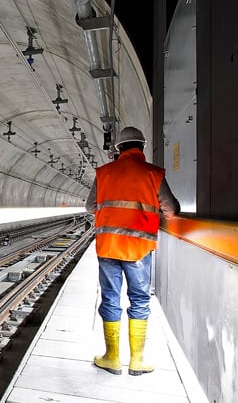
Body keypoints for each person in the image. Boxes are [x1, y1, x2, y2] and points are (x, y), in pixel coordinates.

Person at [84, 126, 180, 376]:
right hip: (138, 248)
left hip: (108, 247)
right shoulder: (153, 174)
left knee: (110, 297)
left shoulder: (104, 173)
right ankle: (137, 360)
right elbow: (171, 209)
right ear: (142, 146)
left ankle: (111, 358)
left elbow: (89, 206)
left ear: (118, 149)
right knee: (139, 299)